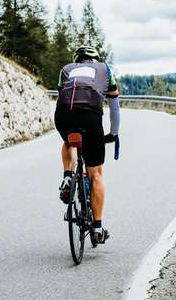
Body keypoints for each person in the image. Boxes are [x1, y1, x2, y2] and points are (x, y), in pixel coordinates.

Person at [55, 45, 120, 244]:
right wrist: (113, 134)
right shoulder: (105, 69)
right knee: (96, 174)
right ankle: (98, 228)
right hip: (91, 118)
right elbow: (114, 107)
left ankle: (67, 177)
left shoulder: (66, 69)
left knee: (69, 141)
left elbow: (61, 98)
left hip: (64, 116)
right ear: (95, 59)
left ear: (77, 59)